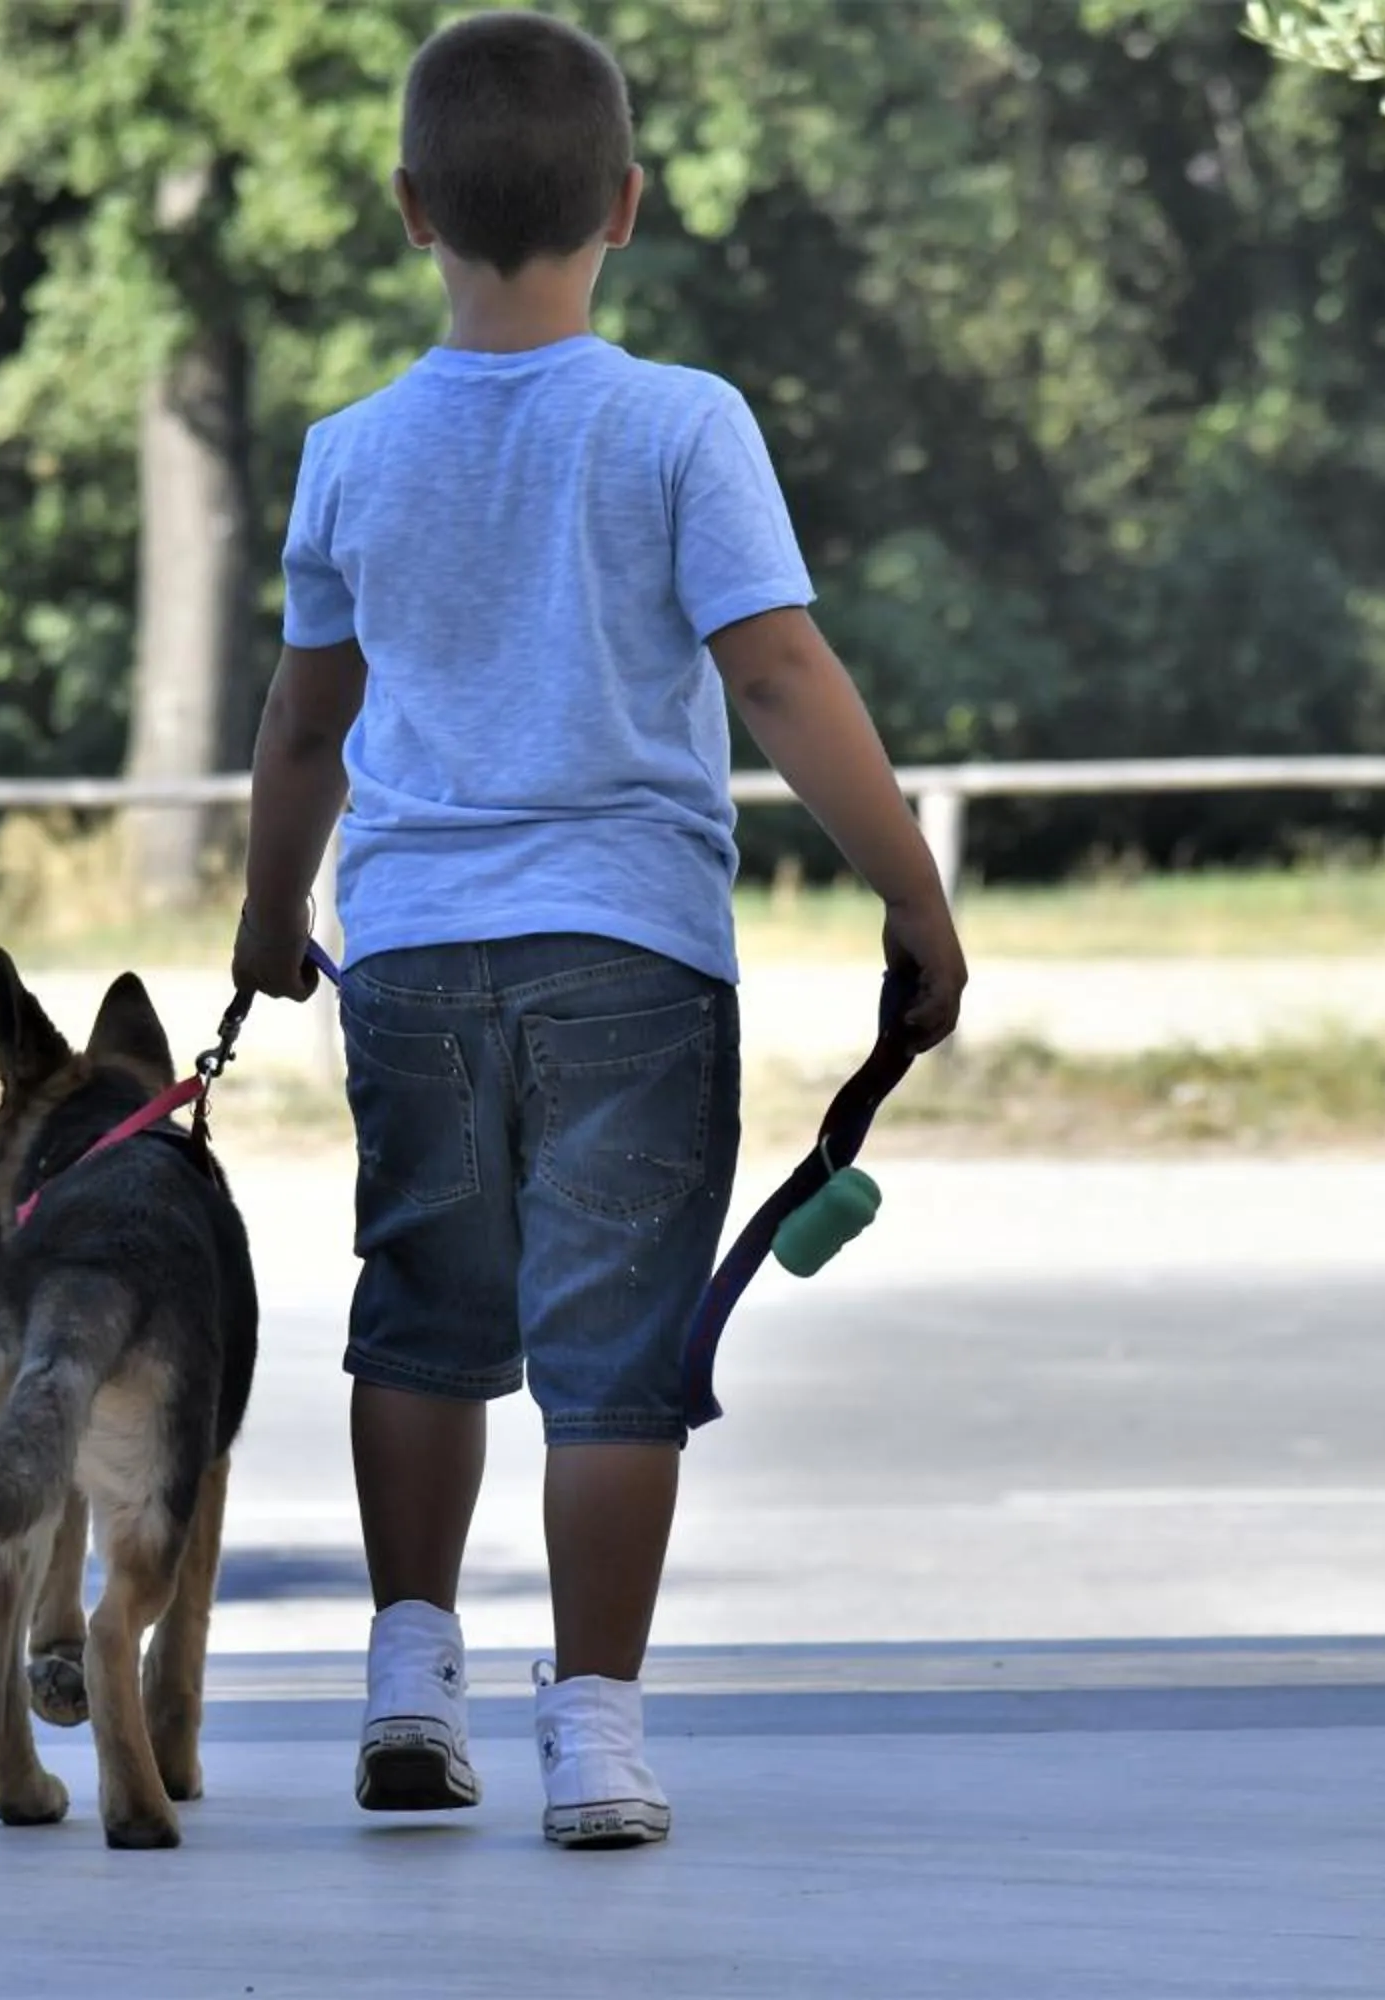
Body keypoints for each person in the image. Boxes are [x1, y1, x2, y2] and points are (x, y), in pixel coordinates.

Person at [228, 8, 966, 1851]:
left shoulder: (350, 451)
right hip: (632, 951)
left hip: (404, 955)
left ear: (412, 209)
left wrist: (263, 913)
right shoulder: (678, 424)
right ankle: (599, 1739)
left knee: (423, 1312)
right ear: (625, 203)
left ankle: (410, 1684)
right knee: (613, 1347)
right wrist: (914, 896)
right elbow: (782, 674)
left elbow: (308, 721)